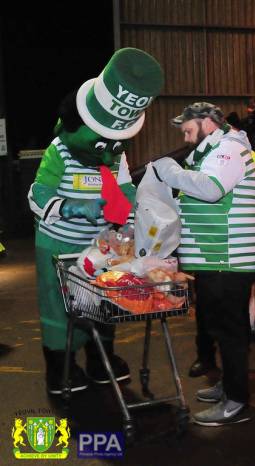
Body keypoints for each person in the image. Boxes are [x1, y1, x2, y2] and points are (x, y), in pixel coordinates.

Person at [28, 48, 164, 395]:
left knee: (103, 302)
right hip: (59, 245)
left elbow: (126, 194)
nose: (108, 152)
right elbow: (37, 195)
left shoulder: (115, 156)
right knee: (60, 308)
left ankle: (100, 358)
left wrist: (137, 225)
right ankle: (60, 368)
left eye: (115, 145)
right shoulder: (59, 150)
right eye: (102, 143)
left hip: (100, 248)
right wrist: (73, 207)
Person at [152, 102, 255, 426]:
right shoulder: (211, 152)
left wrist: (171, 170)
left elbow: (212, 191)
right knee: (222, 328)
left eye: (188, 130)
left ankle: (237, 401)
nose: (186, 138)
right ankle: (230, 386)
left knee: (230, 332)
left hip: (228, 259)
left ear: (207, 123)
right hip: (216, 258)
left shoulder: (228, 149)